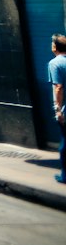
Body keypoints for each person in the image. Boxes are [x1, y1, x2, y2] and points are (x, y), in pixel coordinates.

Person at [50, 33, 66, 185]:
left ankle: (65, 176)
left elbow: (58, 87)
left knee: (64, 145)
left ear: (54, 47)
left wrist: (58, 110)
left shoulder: (55, 63)